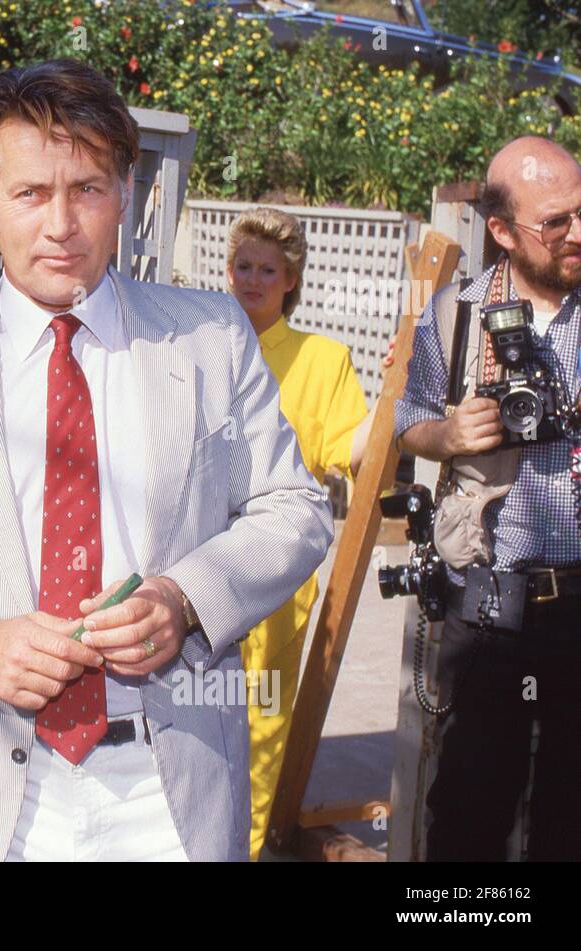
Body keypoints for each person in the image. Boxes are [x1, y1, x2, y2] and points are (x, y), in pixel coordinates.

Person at [0, 59, 333, 861]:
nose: (60, 223)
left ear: (125, 195)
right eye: (30, 193)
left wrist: (187, 599)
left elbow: (295, 509)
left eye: (88, 189)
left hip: (175, 798)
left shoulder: (209, 337)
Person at [395, 135, 581, 861]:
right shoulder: (456, 314)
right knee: (470, 809)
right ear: (501, 231)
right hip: (488, 601)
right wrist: (451, 432)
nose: (577, 235)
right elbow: (410, 419)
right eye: (556, 223)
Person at [224, 207, 371, 860]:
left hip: (275, 571)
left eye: (267, 269)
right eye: (243, 265)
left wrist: (398, 394)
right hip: (188, 563)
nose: (253, 279)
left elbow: (353, 451)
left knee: (261, 722)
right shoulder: (199, 339)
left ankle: (248, 850)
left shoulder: (324, 358)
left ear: (291, 279)